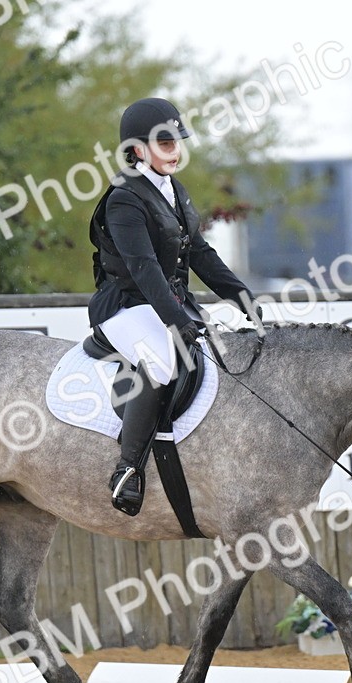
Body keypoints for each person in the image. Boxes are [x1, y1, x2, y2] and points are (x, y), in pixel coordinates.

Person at [88, 97, 259, 517]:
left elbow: (199, 253)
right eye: (165, 143)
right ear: (138, 148)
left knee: (221, 350)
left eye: (178, 141)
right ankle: (128, 470)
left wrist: (242, 297)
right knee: (164, 361)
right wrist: (177, 320)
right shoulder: (124, 199)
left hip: (168, 302)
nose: (175, 151)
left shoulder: (174, 191)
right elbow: (143, 268)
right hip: (125, 307)